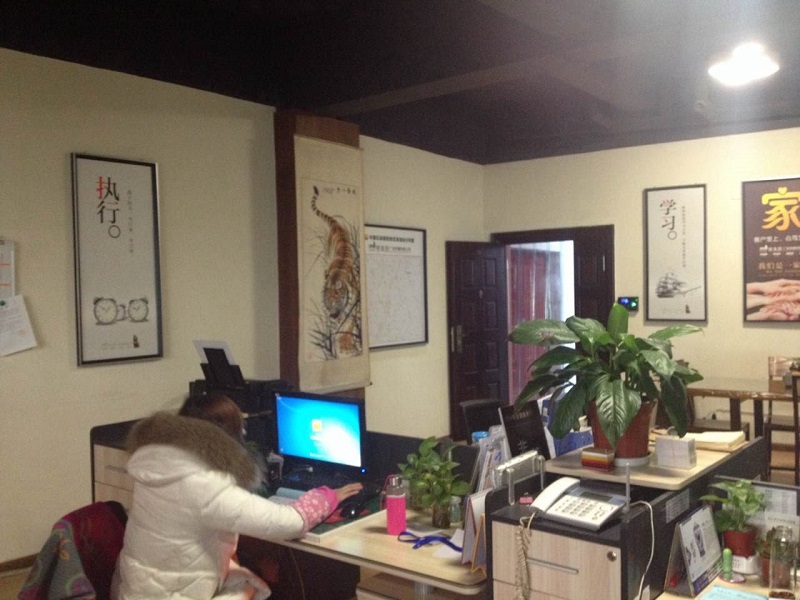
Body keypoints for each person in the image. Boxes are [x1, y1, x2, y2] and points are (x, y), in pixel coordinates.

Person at [111, 392, 363, 600]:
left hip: (136, 588)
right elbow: (288, 523)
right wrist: (327, 496)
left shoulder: (157, 462)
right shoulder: (204, 484)